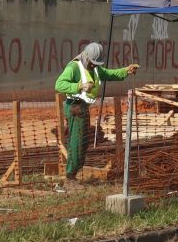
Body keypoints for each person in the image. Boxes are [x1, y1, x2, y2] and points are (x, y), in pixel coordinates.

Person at [55, 42, 139, 181]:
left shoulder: (95, 69)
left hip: (82, 108)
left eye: (97, 63)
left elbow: (108, 73)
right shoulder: (74, 67)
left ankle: (74, 173)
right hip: (74, 107)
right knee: (76, 143)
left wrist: (126, 71)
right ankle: (70, 177)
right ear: (86, 57)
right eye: (93, 62)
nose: (95, 65)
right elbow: (59, 84)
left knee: (82, 143)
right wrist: (79, 86)